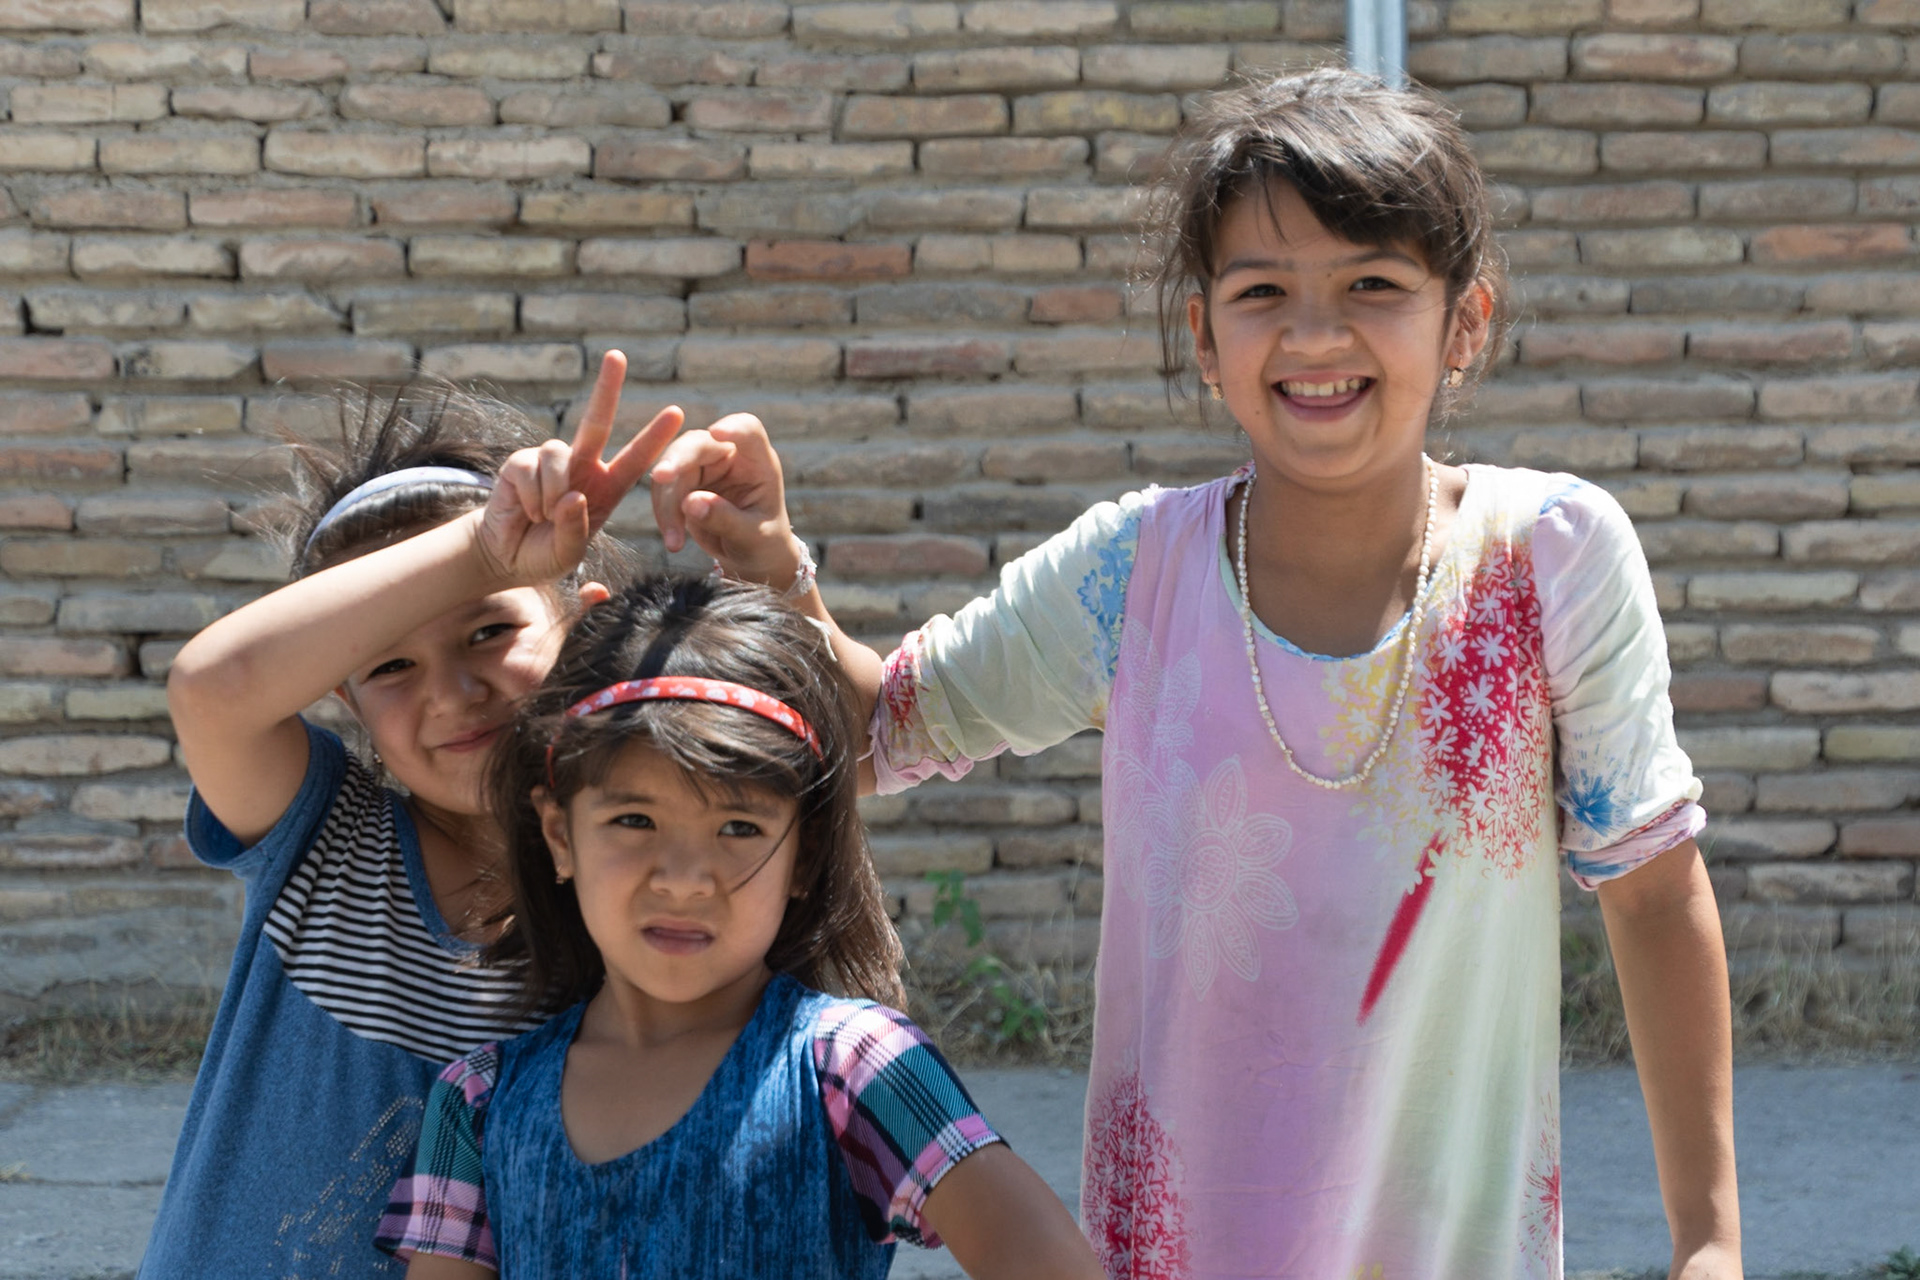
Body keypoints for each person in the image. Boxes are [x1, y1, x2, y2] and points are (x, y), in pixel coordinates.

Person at [643, 70, 1742, 1280]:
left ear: (1465, 321)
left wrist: (1709, 1241)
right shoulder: (1136, 571)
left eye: (1373, 284)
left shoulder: (1548, 561)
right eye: (1263, 291)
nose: (1316, 335)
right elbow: (882, 725)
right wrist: (777, 569)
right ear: (1207, 339)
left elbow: (1650, 890)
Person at [375, 574, 1105, 1280]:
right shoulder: (479, 1102)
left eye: (738, 825)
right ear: (560, 835)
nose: (686, 877)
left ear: (803, 856)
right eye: (634, 820)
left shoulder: (855, 1066)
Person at [146, 353, 682, 1277]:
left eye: (489, 630)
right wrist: (483, 550)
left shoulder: (631, 890)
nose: (453, 693)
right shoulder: (322, 835)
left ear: (584, 632)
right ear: (344, 699)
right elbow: (212, 687)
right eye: (391, 666)